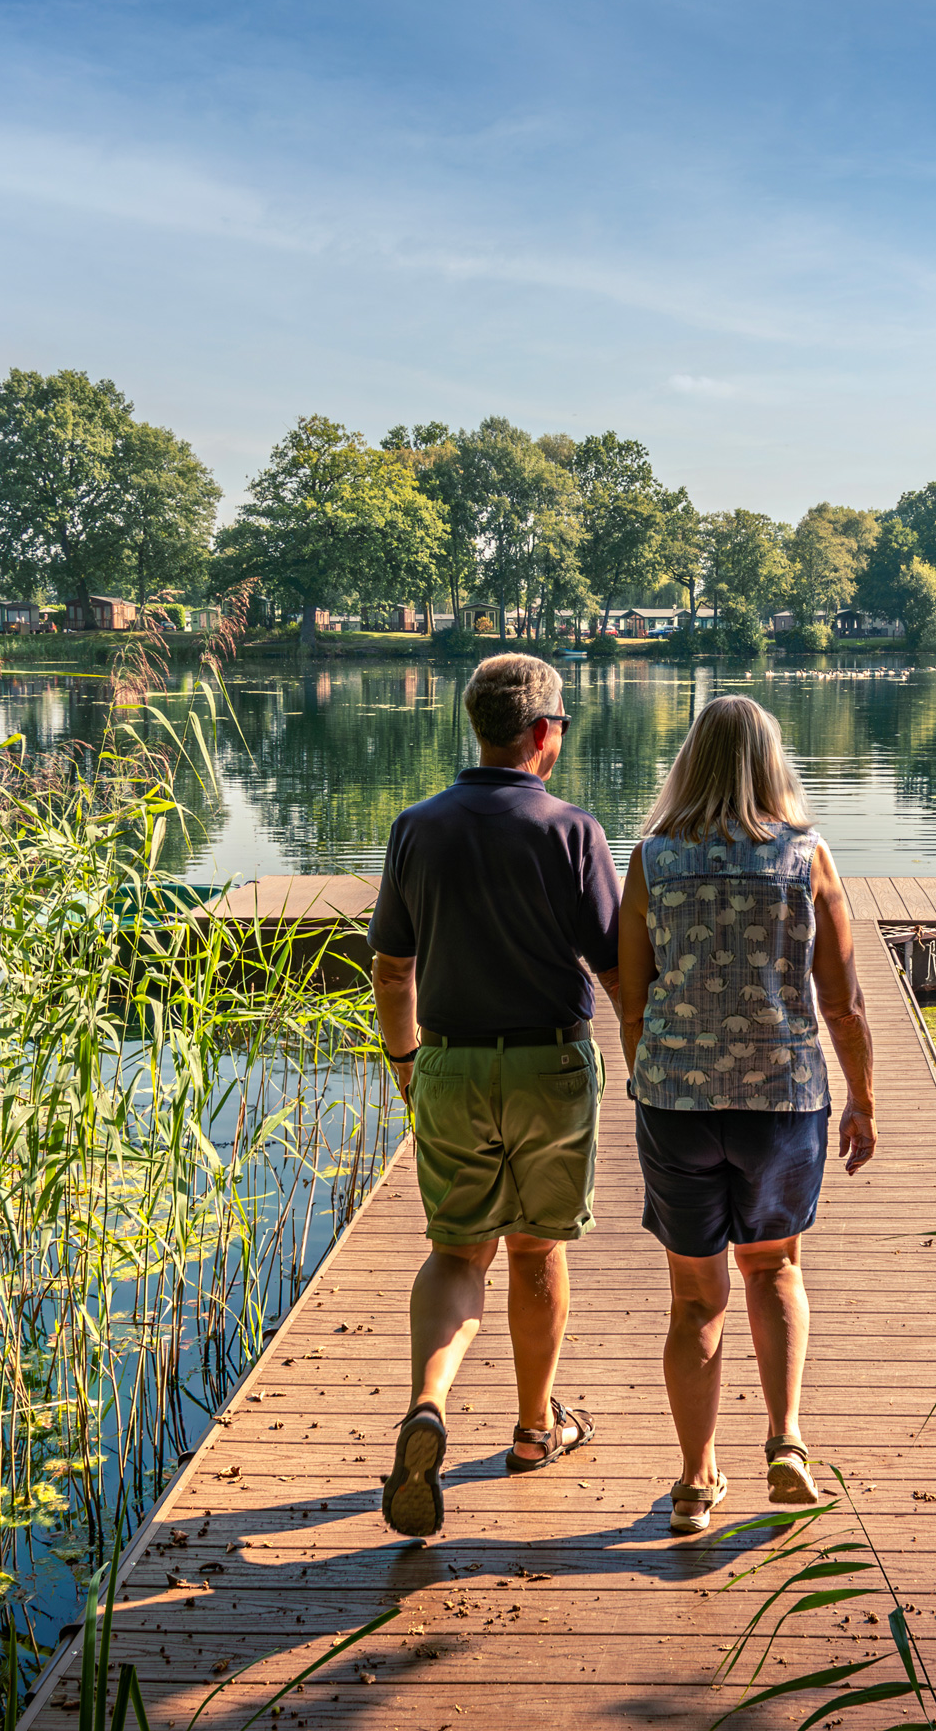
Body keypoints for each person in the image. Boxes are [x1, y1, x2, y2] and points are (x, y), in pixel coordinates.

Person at [368, 652, 621, 1537]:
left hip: (448, 1063)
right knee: (536, 1249)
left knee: (455, 1251)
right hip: (550, 1067)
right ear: (544, 731)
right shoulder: (571, 830)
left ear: (476, 727)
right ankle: (531, 1429)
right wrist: (649, 1068)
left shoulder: (417, 827)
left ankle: (429, 1405)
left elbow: (392, 968)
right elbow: (615, 966)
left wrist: (407, 1065)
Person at [618, 694, 876, 1536]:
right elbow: (842, 1004)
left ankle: (694, 1484)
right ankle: (787, 1444)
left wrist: (652, 1083)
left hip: (677, 1103)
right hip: (781, 1102)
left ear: (689, 761)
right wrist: (864, 1099)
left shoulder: (652, 860)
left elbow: (633, 996)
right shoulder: (807, 858)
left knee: (696, 1300)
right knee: (773, 1271)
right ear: (773, 763)